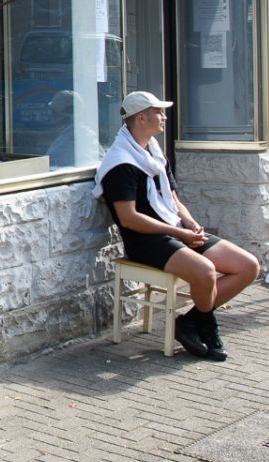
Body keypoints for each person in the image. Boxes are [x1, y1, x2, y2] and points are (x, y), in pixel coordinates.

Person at [94, 90, 259, 360]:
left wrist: (191, 223)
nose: (165, 117)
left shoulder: (155, 154)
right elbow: (129, 218)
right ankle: (207, 325)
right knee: (205, 272)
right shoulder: (120, 163)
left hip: (174, 229)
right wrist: (178, 232)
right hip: (146, 241)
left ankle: (191, 321)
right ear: (141, 118)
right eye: (159, 112)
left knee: (248, 266)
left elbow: (172, 198)